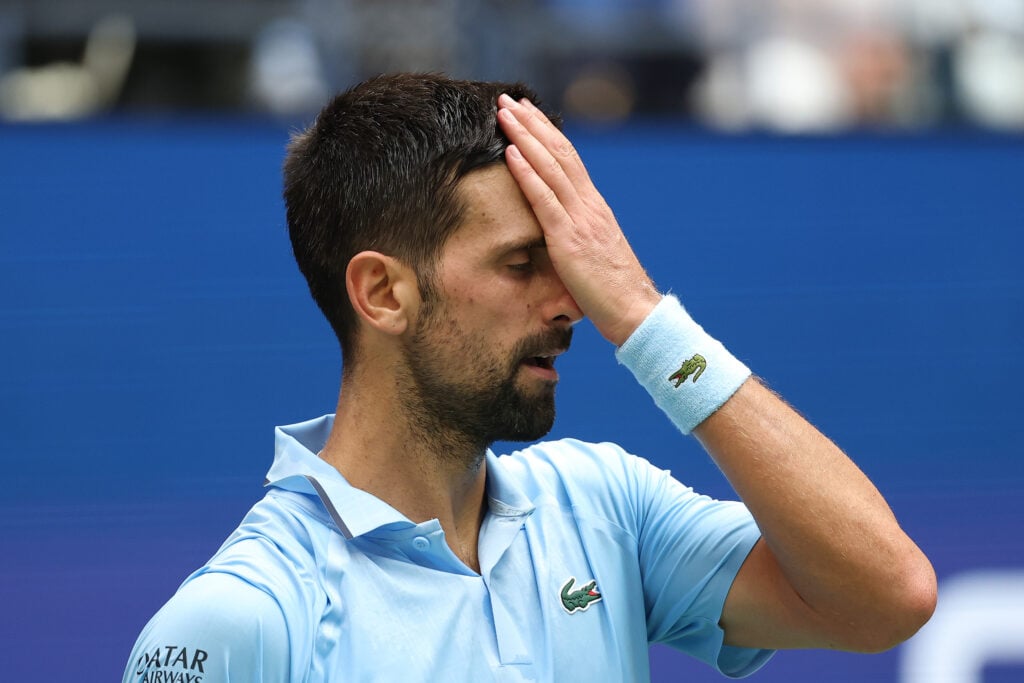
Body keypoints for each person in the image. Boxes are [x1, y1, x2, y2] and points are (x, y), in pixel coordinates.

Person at [124, 73, 936, 682]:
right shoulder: (243, 618)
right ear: (382, 293)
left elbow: (886, 595)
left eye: (574, 267)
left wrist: (648, 321)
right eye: (522, 264)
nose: (572, 305)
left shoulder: (602, 503)